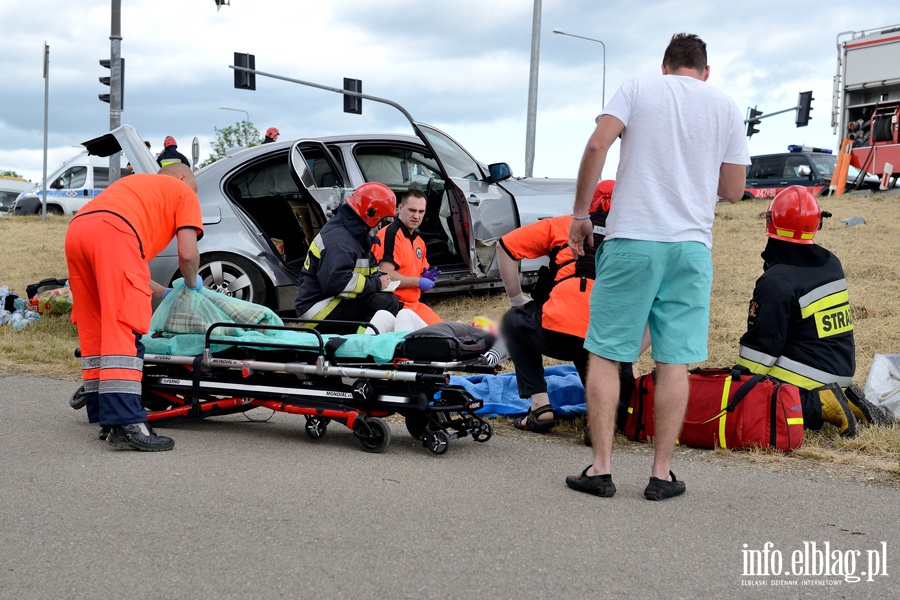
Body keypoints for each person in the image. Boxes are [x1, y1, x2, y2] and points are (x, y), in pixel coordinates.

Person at [565, 33, 750, 501]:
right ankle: (661, 475)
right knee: (674, 361)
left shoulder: (637, 87)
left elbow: (595, 148)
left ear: (664, 66)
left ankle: (602, 469)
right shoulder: (725, 105)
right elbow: (732, 189)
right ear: (705, 71)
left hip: (633, 240)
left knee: (606, 353)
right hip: (690, 247)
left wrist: (582, 215)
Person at [65, 163, 204, 452]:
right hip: (114, 234)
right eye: (194, 186)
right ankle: (127, 423)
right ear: (182, 177)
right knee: (122, 327)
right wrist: (192, 285)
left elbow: (128, 268)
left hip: (78, 230)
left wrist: (163, 292)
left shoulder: (136, 185)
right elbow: (188, 254)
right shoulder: (183, 191)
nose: (194, 194)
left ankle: (105, 414)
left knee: (97, 326)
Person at [737, 185, 889, 436]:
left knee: (758, 399)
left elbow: (761, 349)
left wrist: (740, 385)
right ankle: (843, 397)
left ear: (771, 221)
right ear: (816, 224)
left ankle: (820, 405)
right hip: (842, 369)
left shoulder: (776, 281)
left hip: (807, 377)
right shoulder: (831, 262)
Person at [498, 180, 623, 432]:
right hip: (606, 338)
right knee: (595, 342)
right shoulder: (632, 236)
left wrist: (517, 300)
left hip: (554, 331)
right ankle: (600, 418)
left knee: (514, 320)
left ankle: (540, 407)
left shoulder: (563, 224)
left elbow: (505, 246)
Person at [295, 182, 405, 334]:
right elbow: (338, 283)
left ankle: (361, 336)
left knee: (389, 301)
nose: (381, 225)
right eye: (382, 219)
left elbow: (367, 265)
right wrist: (376, 284)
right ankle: (359, 344)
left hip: (328, 302)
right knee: (384, 302)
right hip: (318, 312)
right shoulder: (340, 242)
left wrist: (379, 277)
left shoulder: (353, 233)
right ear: (372, 215)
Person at [373, 189, 442, 326]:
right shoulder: (391, 234)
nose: (416, 216)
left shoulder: (419, 241)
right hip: (395, 306)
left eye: (421, 212)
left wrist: (424, 276)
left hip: (414, 304)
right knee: (435, 337)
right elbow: (386, 276)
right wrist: (418, 281)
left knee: (447, 332)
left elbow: (416, 274)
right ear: (400, 208)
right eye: (412, 210)